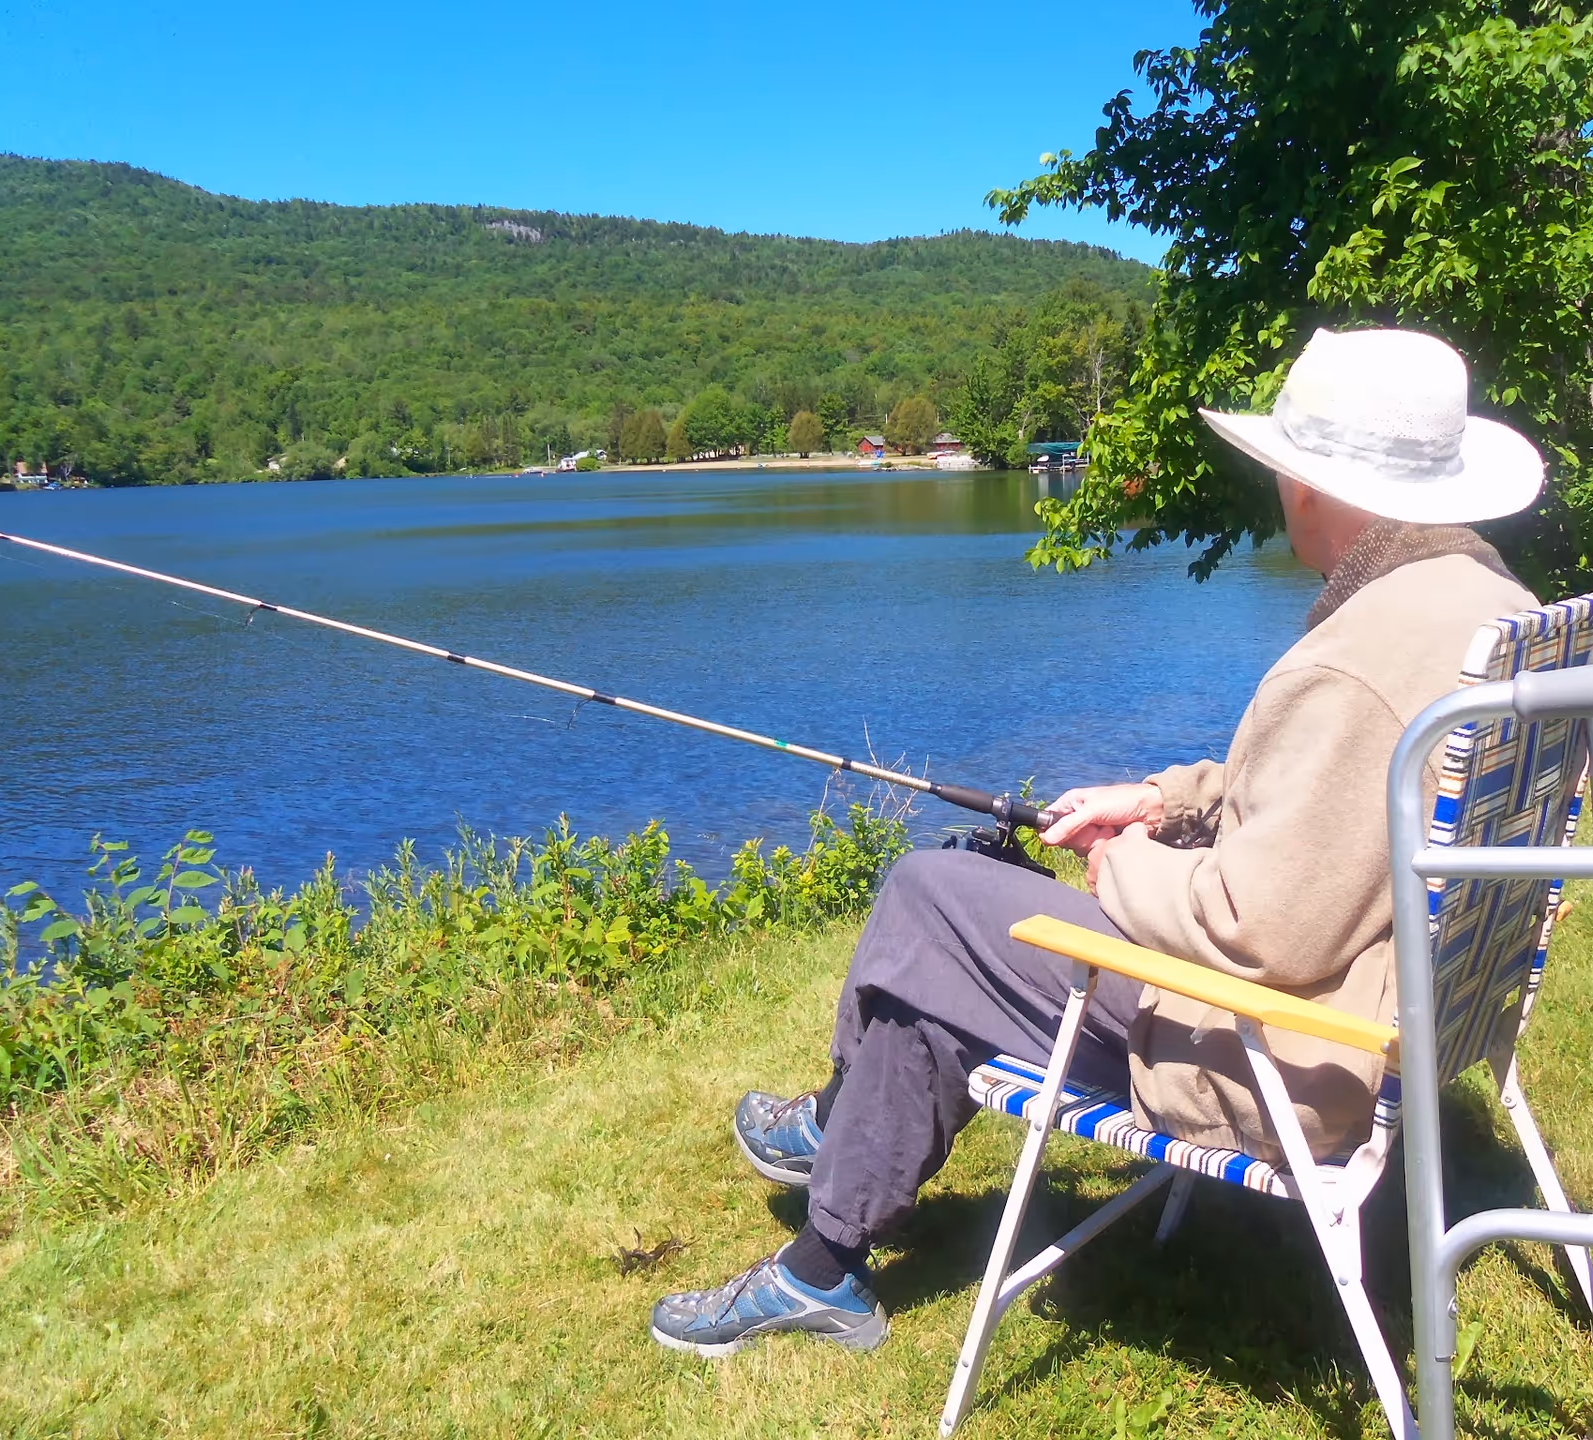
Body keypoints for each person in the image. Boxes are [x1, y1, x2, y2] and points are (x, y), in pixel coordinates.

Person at [648, 327, 1547, 1357]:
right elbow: (1325, 796)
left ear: (1312, 484)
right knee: (937, 976)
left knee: (931, 894)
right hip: (1399, 1009)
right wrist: (1157, 801)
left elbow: (1259, 930)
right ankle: (824, 1230)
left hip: (1279, 1043)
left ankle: (830, 1149)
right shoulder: (1481, 601)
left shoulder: (1351, 664)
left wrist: (1122, 868)